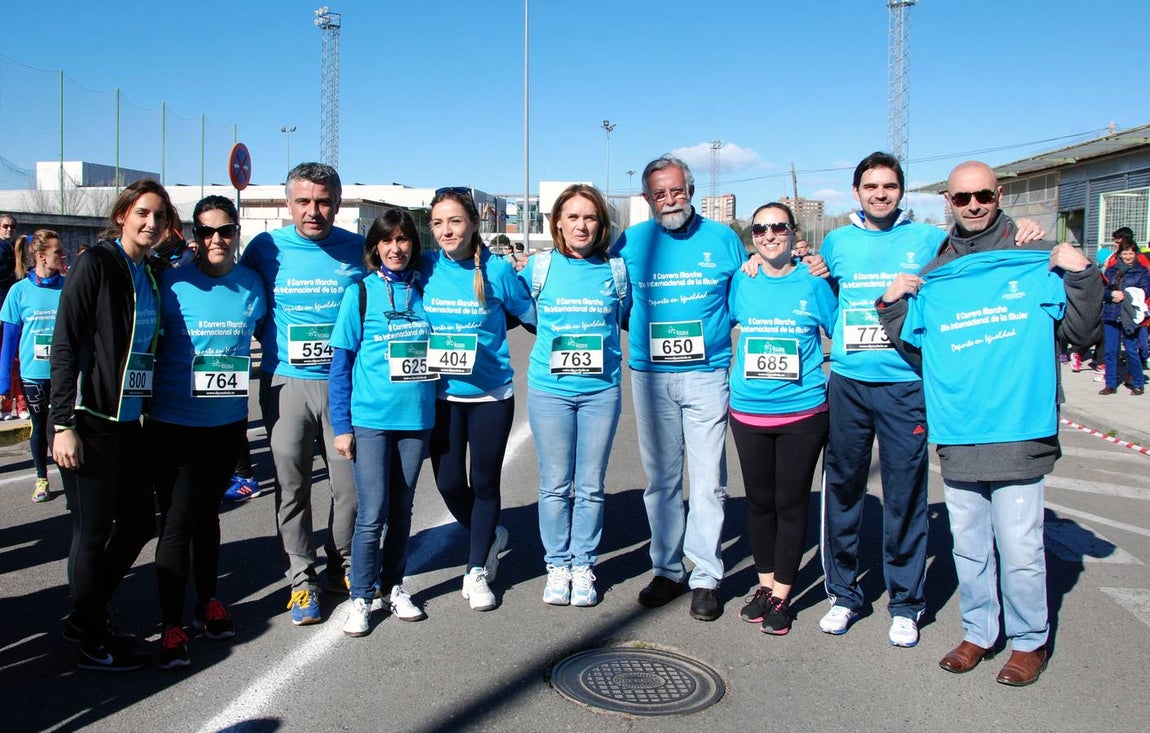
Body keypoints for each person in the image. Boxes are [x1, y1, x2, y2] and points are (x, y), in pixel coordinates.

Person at [877, 160, 1101, 686]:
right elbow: (918, 352)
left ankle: (1029, 642)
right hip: (958, 428)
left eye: (982, 195)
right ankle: (979, 631)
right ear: (948, 203)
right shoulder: (935, 275)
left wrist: (1083, 272)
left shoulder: (1032, 256)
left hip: (1019, 425)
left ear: (999, 195)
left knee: (1021, 546)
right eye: (961, 198)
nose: (972, 205)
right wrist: (890, 305)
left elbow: (1080, 330)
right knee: (969, 544)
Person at [610, 155, 746, 621]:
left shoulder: (724, 239)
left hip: (708, 374)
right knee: (662, 480)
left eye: (677, 190)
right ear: (647, 199)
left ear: (691, 190)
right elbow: (620, 304)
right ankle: (667, 569)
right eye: (659, 194)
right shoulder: (630, 242)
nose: (670, 200)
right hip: (651, 375)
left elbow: (742, 298)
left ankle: (706, 574)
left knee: (708, 481)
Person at [51, 179, 178, 671]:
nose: (151, 223)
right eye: (143, 213)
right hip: (89, 419)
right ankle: (88, 630)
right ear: (123, 213)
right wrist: (62, 423)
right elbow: (66, 343)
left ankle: (85, 613)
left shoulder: (149, 274)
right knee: (93, 529)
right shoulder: (96, 263)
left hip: (130, 422)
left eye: (160, 217)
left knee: (140, 523)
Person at [240, 162, 365, 625]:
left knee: (348, 488)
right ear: (287, 202)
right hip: (285, 381)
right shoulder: (265, 248)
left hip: (343, 384)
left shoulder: (357, 249)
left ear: (338, 201)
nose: (314, 211)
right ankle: (301, 578)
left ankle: (342, 563)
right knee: (291, 486)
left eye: (324, 201)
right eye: (303, 201)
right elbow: (236, 295)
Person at [148, 196, 266, 669]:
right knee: (177, 522)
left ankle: (208, 604)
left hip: (227, 426)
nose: (216, 240)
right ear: (193, 236)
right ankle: (171, 624)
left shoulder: (252, 286)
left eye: (225, 230)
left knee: (209, 517)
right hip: (173, 425)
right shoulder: (171, 285)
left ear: (237, 232)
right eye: (206, 231)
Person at [421, 188, 536, 611]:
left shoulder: (498, 269)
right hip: (440, 394)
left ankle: (477, 569)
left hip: (490, 394)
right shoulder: (425, 266)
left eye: (454, 221)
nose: (446, 230)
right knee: (449, 481)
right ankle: (487, 534)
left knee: (485, 483)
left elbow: (531, 315)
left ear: (472, 223)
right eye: (437, 223)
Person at [729, 203, 836, 635]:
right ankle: (763, 584)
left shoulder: (813, 281)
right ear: (751, 236)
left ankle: (783, 595)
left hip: (802, 413)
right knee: (758, 503)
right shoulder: (743, 279)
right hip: (749, 410)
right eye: (760, 228)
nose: (769, 234)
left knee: (791, 504)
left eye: (778, 227)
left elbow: (839, 331)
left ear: (793, 232)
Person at [522, 184, 630, 607]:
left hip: (601, 392)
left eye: (590, 217)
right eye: (573, 217)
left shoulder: (616, 271)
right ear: (558, 223)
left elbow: (627, 319)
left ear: (601, 224)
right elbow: (524, 314)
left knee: (590, 486)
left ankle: (583, 564)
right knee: (554, 485)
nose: (581, 225)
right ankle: (557, 565)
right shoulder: (538, 268)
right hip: (550, 392)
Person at [329, 209, 435, 635]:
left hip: (416, 419)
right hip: (370, 419)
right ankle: (361, 595)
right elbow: (341, 365)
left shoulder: (426, 290)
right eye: (387, 241)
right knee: (372, 513)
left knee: (403, 510)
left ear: (413, 244)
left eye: (403, 240)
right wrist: (341, 425)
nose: (396, 248)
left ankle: (394, 586)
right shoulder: (360, 294)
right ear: (375, 246)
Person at [0, 229, 66, 503]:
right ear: (40, 256)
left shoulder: (69, 285)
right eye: (57, 252)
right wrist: (4, 383)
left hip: (65, 374)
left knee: (64, 427)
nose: (63, 256)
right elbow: (9, 341)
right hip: (33, 375)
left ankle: (71, 479)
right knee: (40, 427)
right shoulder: (19, 292)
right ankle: (41, 477)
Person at [1099, 239, 1150, 396]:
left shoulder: (1141, 272)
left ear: (1135, 254)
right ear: (1120, 254)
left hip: (1129, 315)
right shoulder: (1111, 270)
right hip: (1112, 314)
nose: (1128, 256)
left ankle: (1138, 383)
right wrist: (1112, 294)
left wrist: (1124, 295)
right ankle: (1111, 384)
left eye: (1131, 253)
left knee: (1131, 350)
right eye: (1125, 253)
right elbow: (1102, 291)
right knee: (1110, 351)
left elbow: (1145, 291)